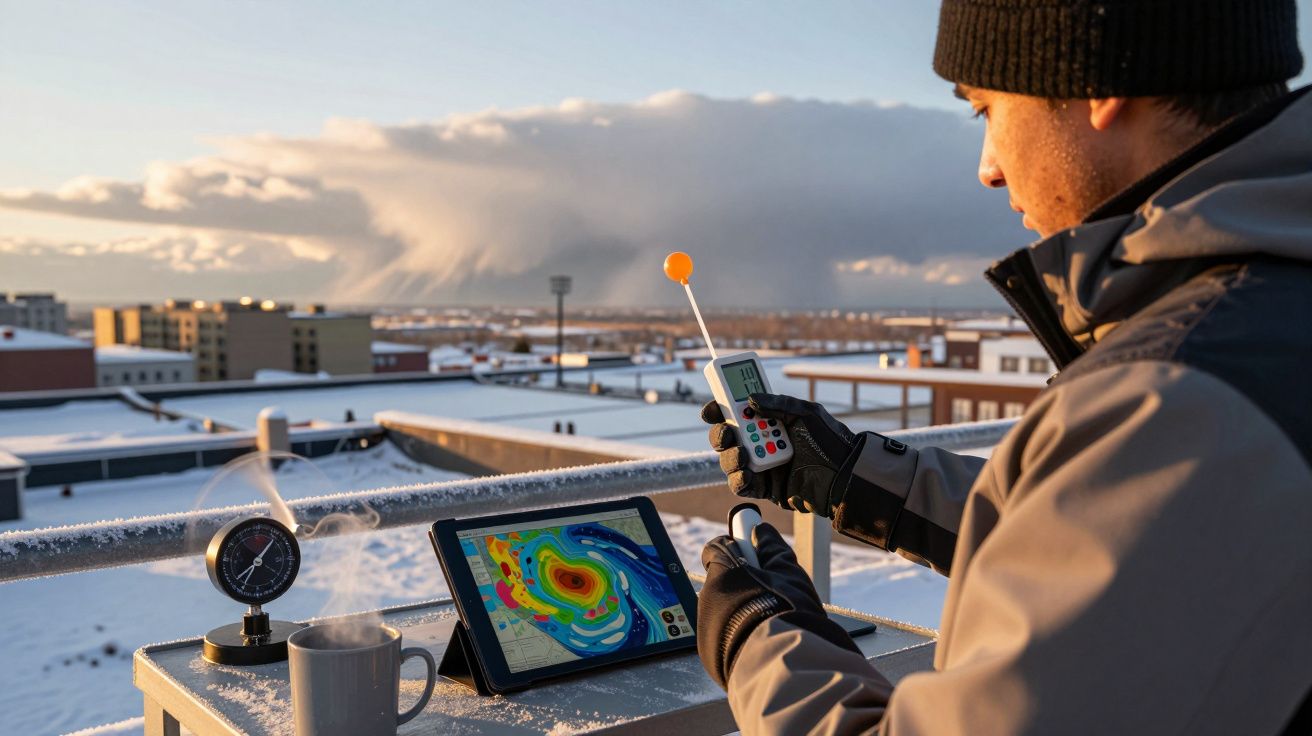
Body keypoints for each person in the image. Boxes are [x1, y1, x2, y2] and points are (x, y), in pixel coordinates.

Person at [694, 1, 1312, 733]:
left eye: (984, 110)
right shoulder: (1262, 322)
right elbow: (1119, 546)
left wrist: (760, 639)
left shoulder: (1174, 399)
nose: (988, 168)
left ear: (1096, 87)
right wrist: (857, 475)